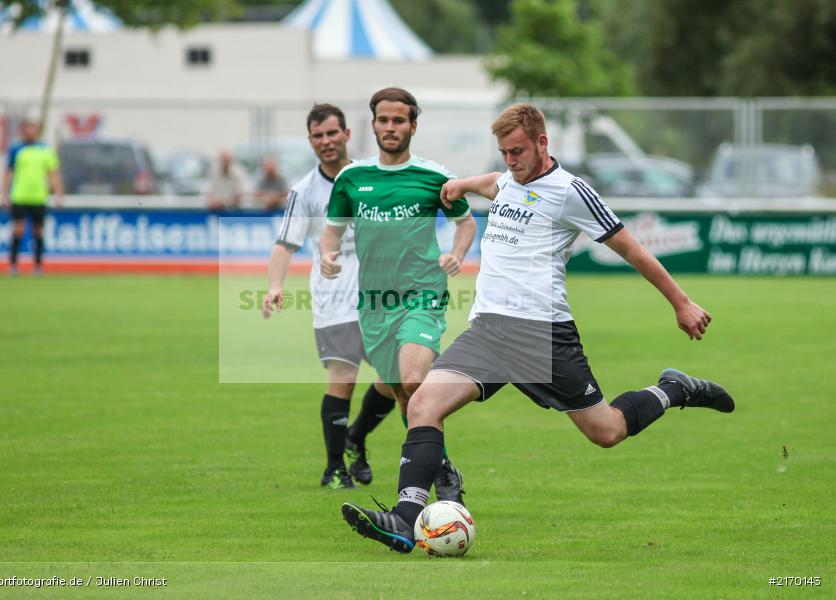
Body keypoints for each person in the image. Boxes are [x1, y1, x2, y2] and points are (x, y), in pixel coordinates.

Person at [340, 103, 735, 553]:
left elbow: (632, 249)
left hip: (543, 337)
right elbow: (496, 183)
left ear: (542, 143)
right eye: (504, 153)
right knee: (423, 403)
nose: (511, 161)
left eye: (518, 152)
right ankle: (404, 518)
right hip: (488, 331)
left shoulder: (571, 191)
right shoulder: (509, 177)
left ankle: (675, 389)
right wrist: (463, 183)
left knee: (606, 431)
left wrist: (680, 303)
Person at [320, 87, 479, 504]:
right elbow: (332, 231)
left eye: (399, 121)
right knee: (404, 394)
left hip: (421, 294)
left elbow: (466, 224)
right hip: (374, 305)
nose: (391, 128)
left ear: (413, 125)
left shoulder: (433, 177)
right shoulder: (351, 179)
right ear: (373, 125)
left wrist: (457, 254)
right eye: (384, 120)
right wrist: (326, 256)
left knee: (413, 380)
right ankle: (441, 469)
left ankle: (441, 482)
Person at [262, 103, 396, 489]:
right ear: (310, 141)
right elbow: (284, 244)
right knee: (343, 380)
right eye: (318, 136)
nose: (326, 142)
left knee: (398, 377)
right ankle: (335, 469)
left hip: (380, 296)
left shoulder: (371, 176)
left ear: (347, 135)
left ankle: (356, 437)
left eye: (332, 133)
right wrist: (275, 286)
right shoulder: (304, 192)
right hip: (334, 299)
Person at [0, 118, 63, 275]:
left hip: (39, 197)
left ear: (37, 131)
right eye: (27, 128)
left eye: (33, 128)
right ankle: (13, 266)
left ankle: (38, 266)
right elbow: (8, 172)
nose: (30, 131)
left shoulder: (45, 150)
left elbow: (53, 173)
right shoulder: (16, 149)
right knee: (18, 231)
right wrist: (4, 194)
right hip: (19, 196)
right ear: (23, 131)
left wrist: (58, 194)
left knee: (38, 232)